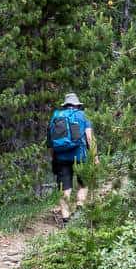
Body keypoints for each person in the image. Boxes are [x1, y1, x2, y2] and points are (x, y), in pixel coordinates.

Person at [47, 92, 97, 224]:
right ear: (77, 105)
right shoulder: (83, 116)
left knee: (65, 189)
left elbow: (50, 142)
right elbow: (90, 138)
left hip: (61, 157)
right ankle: (79, 208)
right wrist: (95, 157)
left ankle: (65, 220)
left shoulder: (56, 117)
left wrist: (53, 158)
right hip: (80, 156)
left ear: (66, 105)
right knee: (84, 184)